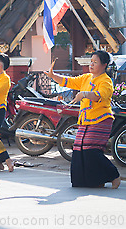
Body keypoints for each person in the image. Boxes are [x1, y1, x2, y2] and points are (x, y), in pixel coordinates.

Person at [45, 51, 121, 188]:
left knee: (91, 150)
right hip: (85, 120)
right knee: (79, 149)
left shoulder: (106, 81)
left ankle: (113, 175)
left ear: (104, 65)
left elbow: (100, 95)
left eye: (95, 62)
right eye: (91, 61)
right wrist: (53, 75)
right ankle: (91, 181)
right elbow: (68, 81)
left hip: (101, 120)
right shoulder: (86, 78)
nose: (91, 64)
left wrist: (85, 94)